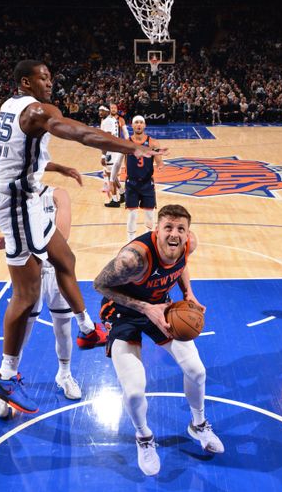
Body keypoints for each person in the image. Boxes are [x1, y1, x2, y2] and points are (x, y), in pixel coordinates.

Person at [0, 59, 166, 415]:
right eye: (43, 77)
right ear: (26, 82)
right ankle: (6, 376)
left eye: (51, 76)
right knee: (26, 294)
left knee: (64, 259)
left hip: (26, 200)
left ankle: (85, 328)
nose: (50, 82)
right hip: (18, 203)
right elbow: (81, 133)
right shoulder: (38, 111)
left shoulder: (11, 106)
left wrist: (56, 167)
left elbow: (19, 156)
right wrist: (133, 148)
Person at [94, 204, 223, 476]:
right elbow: (100, 284)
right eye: (168, 227)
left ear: (188, 233)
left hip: (162, 308)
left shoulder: (189, 244)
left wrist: (188, 293)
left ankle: (198, 425)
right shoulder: (133, 258)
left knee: (196, 370)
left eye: (180, 229)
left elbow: (181, 264)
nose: (174, 234)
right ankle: (144, 437)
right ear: (156, 229)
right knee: (133, 389)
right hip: (123, 312)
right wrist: (144, 308)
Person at [0, 169, 88, 418]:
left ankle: (64, 374)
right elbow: (15, 232)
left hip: (54, 271)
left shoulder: (58, 195)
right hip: (28, 272)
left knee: (63, 328)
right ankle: (6, 384)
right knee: (20, 332)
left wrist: (21, 237)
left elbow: (61, 237)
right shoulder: (14, 198)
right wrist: (10, 238)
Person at [110, 115, 164, 241]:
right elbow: (117, 163)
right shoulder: (126, 143)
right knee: (132, 214)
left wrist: (160, 164)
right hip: (132, 183)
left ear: (144, 125)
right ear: (132, 125)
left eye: (141, 122)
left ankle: (149, 239)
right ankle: (131, 241)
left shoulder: (153, 142)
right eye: (136, 122)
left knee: (150, 215)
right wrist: (112, 180)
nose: (139, 125)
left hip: (147, 183)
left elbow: (159, 160)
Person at [101, 104, 129, 208]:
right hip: (116, 148)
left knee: (110, 176)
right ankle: (122, 194)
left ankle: (115, 200)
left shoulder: (112, 121)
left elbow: (107, 138)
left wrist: (103, 155)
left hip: (112, 150)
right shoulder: (109, 120)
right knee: (112, 174)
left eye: (101, 110)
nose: (99, 112)